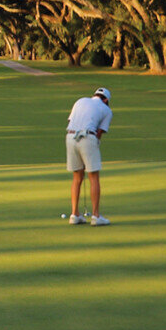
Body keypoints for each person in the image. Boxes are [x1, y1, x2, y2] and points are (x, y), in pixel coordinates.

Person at [62, 86, 112, 226]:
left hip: (70, 137)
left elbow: (71, 121)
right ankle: (96, 216)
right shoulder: (107, 110)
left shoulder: (81, 100)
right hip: (87, 137)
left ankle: (74, 214)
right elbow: (99, 133)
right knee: (93, 176)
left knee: (77, 176)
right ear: (106, 100)